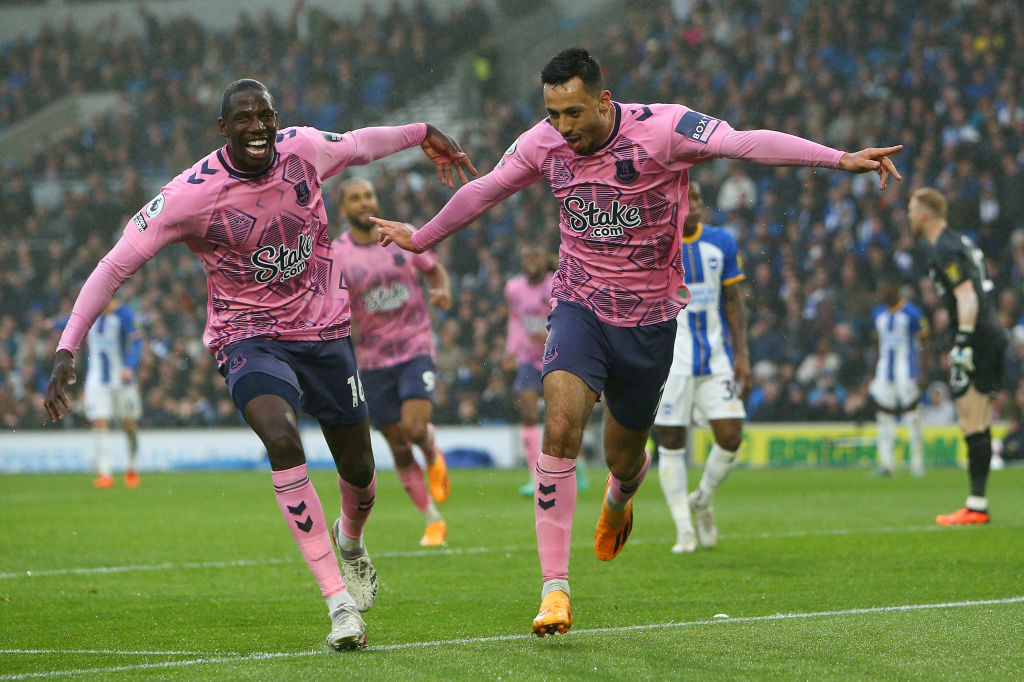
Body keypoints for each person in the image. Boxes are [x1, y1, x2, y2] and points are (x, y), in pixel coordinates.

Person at [371, 47, 901, 636]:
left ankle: (620, 498)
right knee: (561, 427)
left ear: (603, 99)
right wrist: (423, 238)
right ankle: (555, 590)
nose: (563, 127)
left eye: (573, 113)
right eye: (552, 113)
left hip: (649, 321)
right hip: (579, 305)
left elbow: (747, 142)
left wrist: (839, 158)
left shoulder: (666, 129)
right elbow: (487, 190)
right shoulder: (542, 142)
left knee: (625, 456)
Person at [43, 79, 476, 651]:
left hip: (325, 331)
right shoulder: (189, 195)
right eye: (243, 119)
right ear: (224, 128)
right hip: (247, 338)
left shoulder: (303, 149)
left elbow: (361, 143)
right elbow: (115, 265)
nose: (257, 128)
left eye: (264, 116)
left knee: (362, 473)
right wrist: (67, 347)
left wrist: (423, 132)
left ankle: (351, 542)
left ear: (276, 119)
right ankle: (339, 605)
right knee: (282, 437)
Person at [332, 176, 452, 547]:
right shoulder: (335, 253)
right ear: (343, 209)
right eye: (355, 198)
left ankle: (431, 450)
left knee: (414, 428)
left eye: (369, 194)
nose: (364, 202)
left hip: (414, 346)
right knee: (398, 445)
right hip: (370, 361)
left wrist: (443, 289)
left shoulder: (402, 235)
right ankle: (433, 520)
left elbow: (432, 268)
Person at [653, 180, 751, 554]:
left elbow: (733, 300)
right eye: (684, 199)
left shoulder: (722, 241)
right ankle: (684, 531)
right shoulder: (659, 244)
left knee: (730, 437)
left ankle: (702, 499)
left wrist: (743, 354)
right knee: (671, 442)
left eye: (695, 198)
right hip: (672, 363)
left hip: (716, 359)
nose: (691, 204)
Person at [907, 187, 1006, 525]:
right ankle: (976, 503)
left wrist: (962, 341)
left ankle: (976, 506)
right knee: (979, 420)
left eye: (911, 209)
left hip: (977, 336)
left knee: (971, 419)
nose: (908, 216)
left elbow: (967, 297)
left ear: (924, 213)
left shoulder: (944, 249)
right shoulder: (959, 242)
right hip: (989, 334)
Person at [504, 245, 555, 497]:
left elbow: (568, 316)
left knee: (560, 416)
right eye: (527, 256)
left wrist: (547, 334)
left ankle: (575, 468)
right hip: (527, 358)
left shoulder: (556, 283)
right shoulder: (513, 288)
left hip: (557, 355)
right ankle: (534, 475)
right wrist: (510, 349)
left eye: (535, 254)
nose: (531, 260)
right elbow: (515, 319)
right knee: (528, 411)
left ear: (544, 259)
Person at [868, 271, 928, 478]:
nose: (880, 292)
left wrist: (922, 371)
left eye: (884, 288)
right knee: (883, 416)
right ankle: (887, 464)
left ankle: (917, 465)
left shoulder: (912, 313)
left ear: (894, 289)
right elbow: (877, 345)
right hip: (884, 371)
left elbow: (924, 343)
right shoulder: (878, 314)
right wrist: (873, 372)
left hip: (907, 371)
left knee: (912, 416)